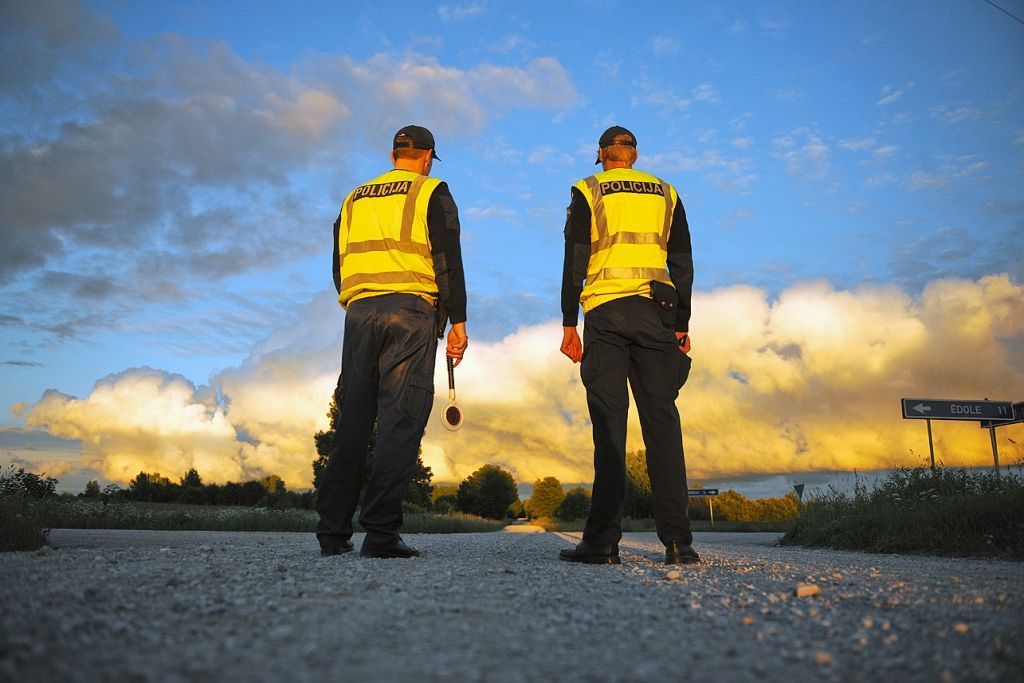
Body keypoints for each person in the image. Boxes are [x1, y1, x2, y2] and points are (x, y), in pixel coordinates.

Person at [316, 125, 469, 559]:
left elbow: (338, 262)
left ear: (393, 153)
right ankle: (380, 533)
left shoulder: (355, 197)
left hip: (361, 312)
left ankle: (331, 532)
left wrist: (358, 302)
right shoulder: (431, 191)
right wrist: (458, 321)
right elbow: (448, 261)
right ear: (427, 157)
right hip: (412, 311)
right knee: (400, 419)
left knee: (353, 420)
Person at [558, 125, 699, 566]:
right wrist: (681, 322)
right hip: (657, 314)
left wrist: (568, 322)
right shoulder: (665, 192)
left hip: (606, 314)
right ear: (634, 154)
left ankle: (602, 543)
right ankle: (678, 543)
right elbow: (682, 262)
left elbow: (575, 259)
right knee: (663, 425)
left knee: (609, 427)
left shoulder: (589, 189)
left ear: (601, 154)